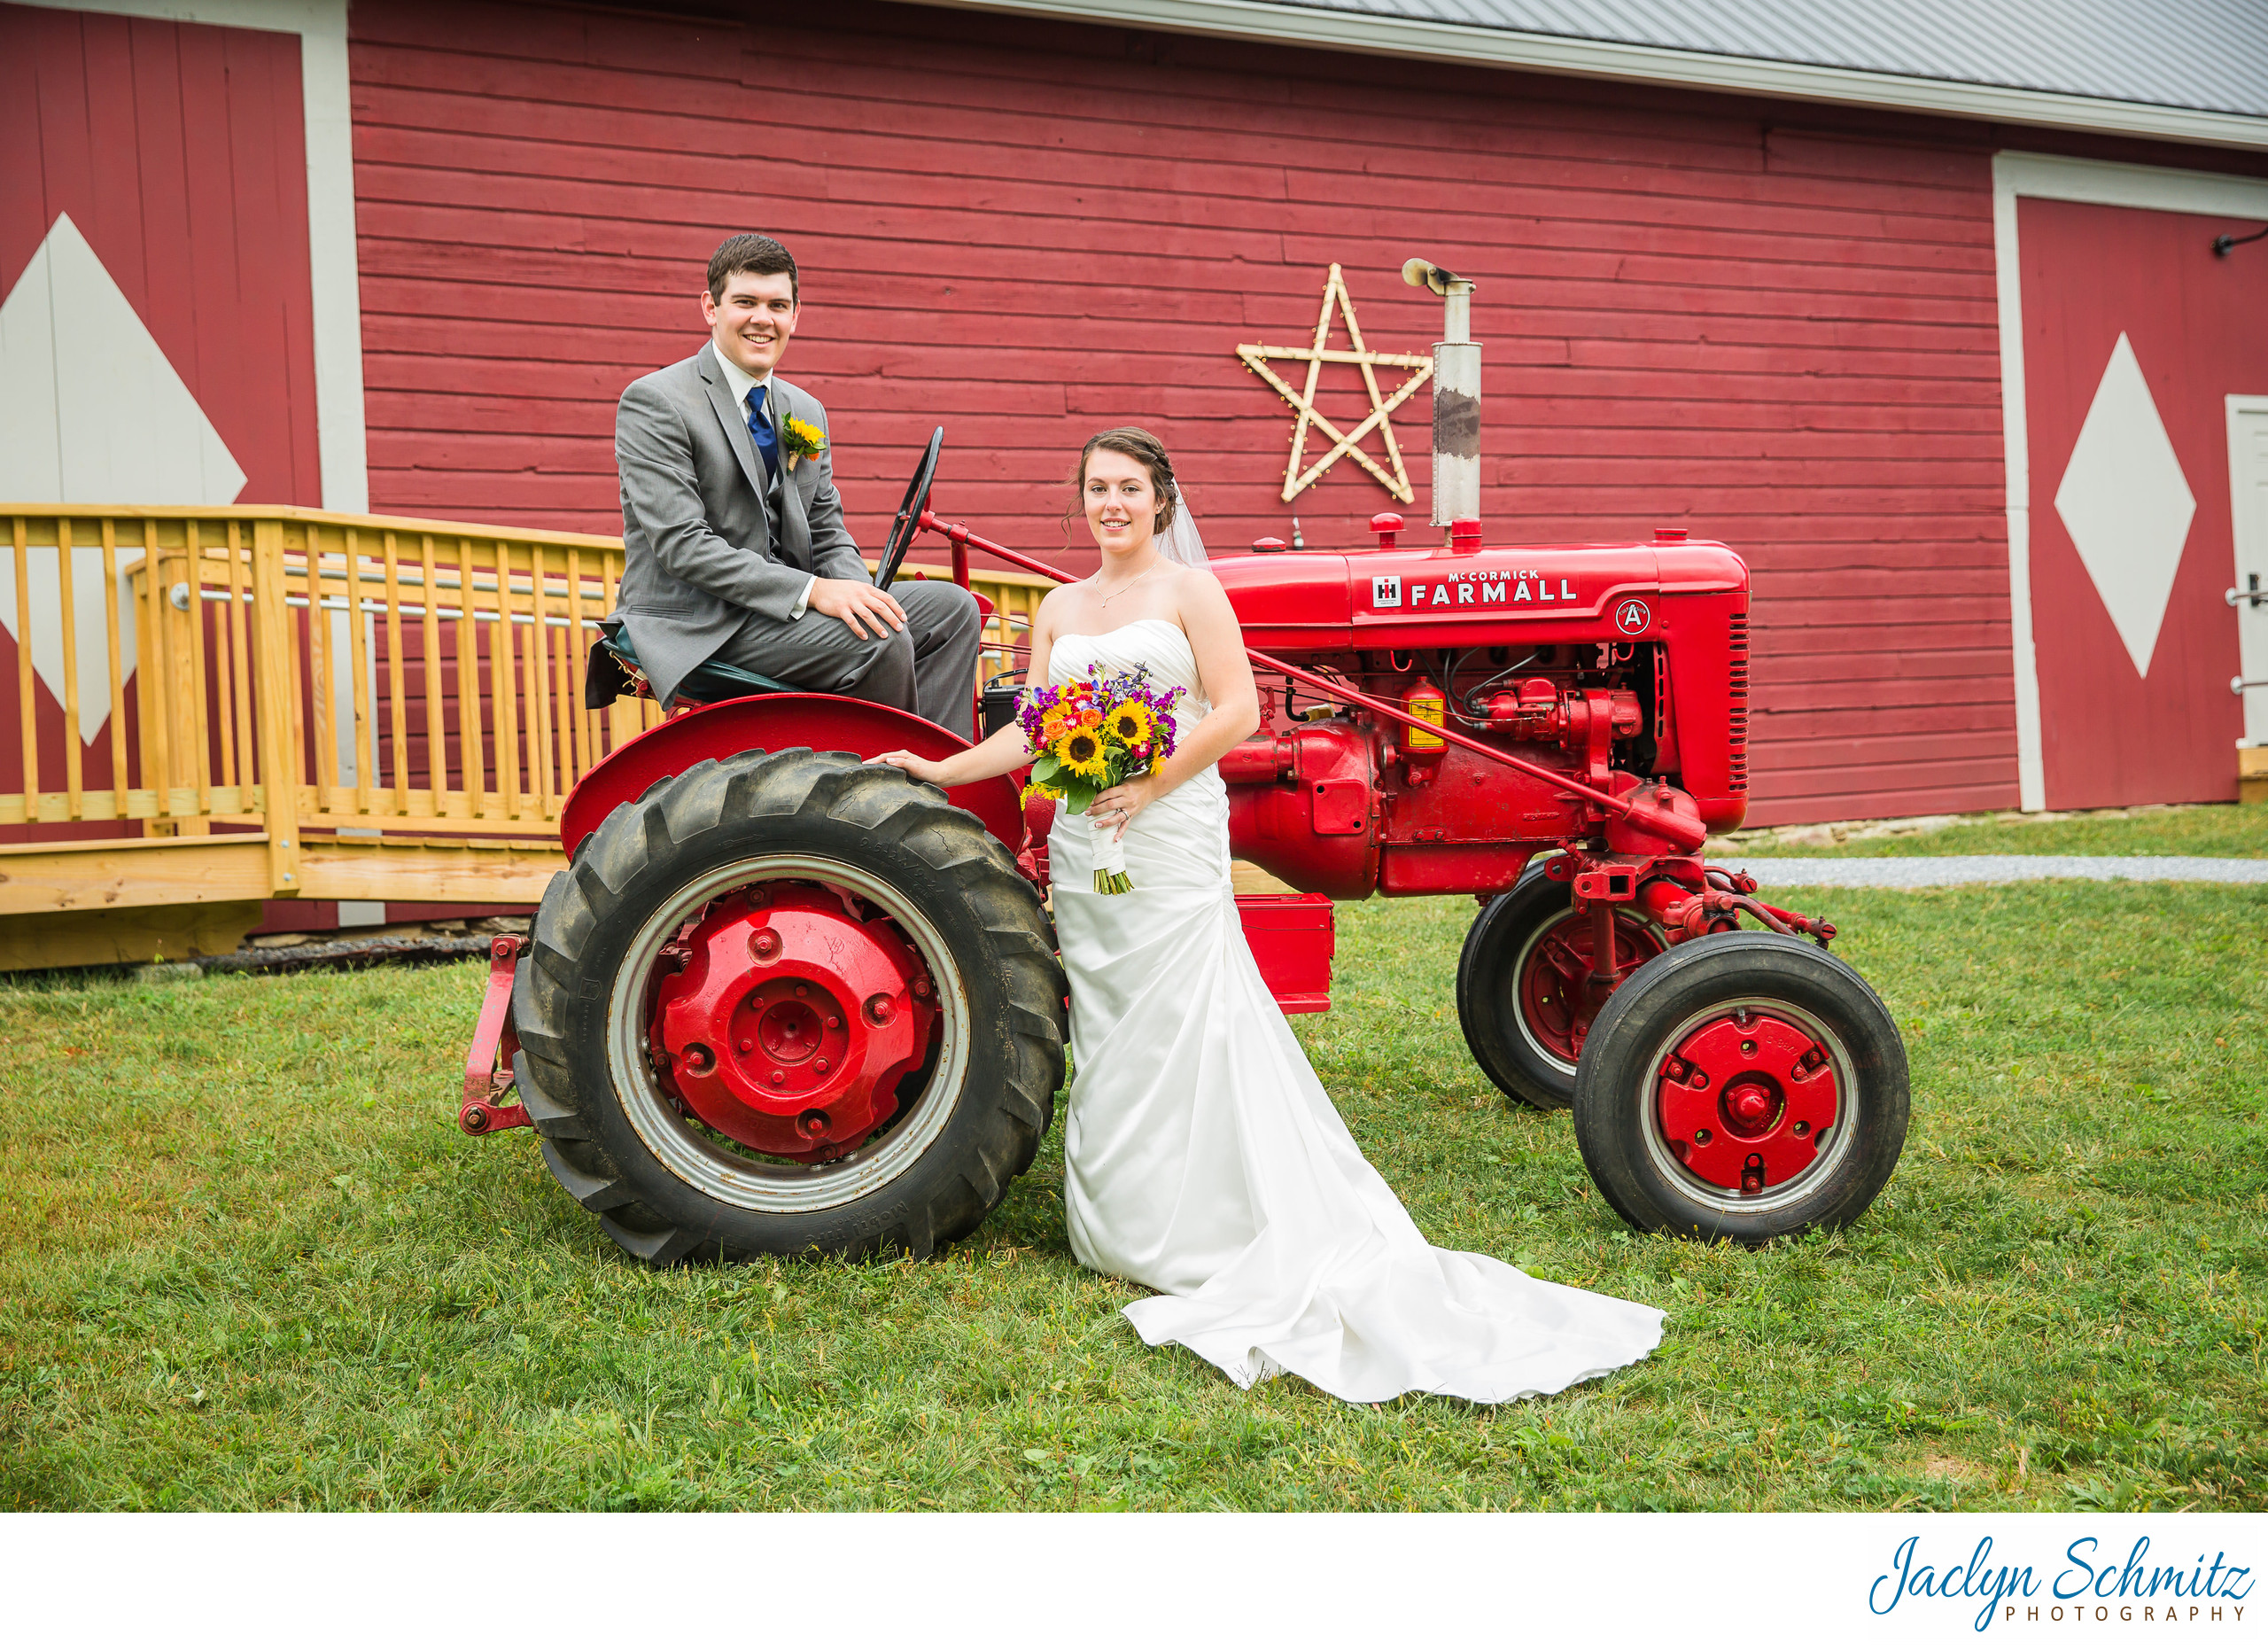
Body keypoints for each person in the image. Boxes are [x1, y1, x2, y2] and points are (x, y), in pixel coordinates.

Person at [869, 428, 1665, 1405]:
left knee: (1188, 1013)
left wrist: (1149, 785)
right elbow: (1036, 724)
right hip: (1087, 840)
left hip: (1160, 830)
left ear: (1161, 501)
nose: (1109, 503)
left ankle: (1202, 1224)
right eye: (1095, 488)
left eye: (1126, 488)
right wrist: (937, 768)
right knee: (1113, 1022)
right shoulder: (1064, 606)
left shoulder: (1190, 592)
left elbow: (1237, 710)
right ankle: (1122, 1219)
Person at [608, 233, 982, 735]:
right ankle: (888, 789)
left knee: (951, 609)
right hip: (700, 622)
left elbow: (826, 528)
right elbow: (683, 546)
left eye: (777, 305)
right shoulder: (656, 401)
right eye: (746, 302)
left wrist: (854, 593)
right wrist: (814, 591)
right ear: (710, 308)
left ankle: (942, 775)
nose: (763, 318)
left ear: (795, 315)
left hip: (783, 612)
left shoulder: (804, 410)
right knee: (881, 640)